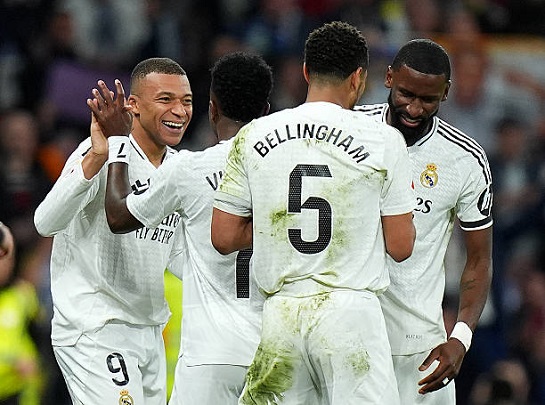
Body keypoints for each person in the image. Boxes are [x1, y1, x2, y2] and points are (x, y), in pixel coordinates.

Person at [211, 21, 416, 404]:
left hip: (282, 314)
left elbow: (223, 237)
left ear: (306, 71)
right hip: (350, 314)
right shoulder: (384, 140)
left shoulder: (252, 135)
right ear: (358, 78)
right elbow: (401, 245)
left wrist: (280, 222)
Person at [93, 52, 273, 404]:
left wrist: (118, 144)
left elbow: (118, 216)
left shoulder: (190, 169)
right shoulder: (286, 169)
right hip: (274, 349)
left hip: (211, 354)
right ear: (266, 110)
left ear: (212, 109)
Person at [33, 57, 192, 404]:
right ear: (133, 105)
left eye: (187, 101)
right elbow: (45, 222)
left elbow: (178, 255)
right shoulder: (98, 152)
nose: (179, 111)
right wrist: (97, 156)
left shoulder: (180, 169)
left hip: (149, 331)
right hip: (95, 328)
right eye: (165, 99)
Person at [355, 38, 493, 404]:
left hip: (420, 349)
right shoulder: (349, 129)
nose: (414, 109)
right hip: (348, 338)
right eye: (406, 94)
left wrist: (460, 338)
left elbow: (479, 259)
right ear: (388, 78)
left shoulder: (465, 159)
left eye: (428, 99)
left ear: (446, 93)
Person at [0, 221, 43, 404]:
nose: (5, 265)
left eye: (9, 257)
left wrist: (34, 362)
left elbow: (41, 336)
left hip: (18, 392)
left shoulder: (23, 296)